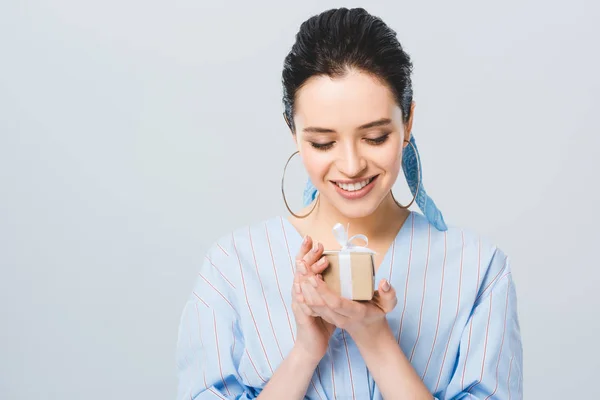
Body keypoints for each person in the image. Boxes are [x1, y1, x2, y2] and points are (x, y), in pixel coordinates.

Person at [176, 7, 523, 400]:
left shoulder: (479, 271)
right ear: (293, 131)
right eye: (323, 142)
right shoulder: (232, 267)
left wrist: (373, 337)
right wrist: (305, 353)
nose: (352, 165)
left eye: (375, 137)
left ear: (407, 121)